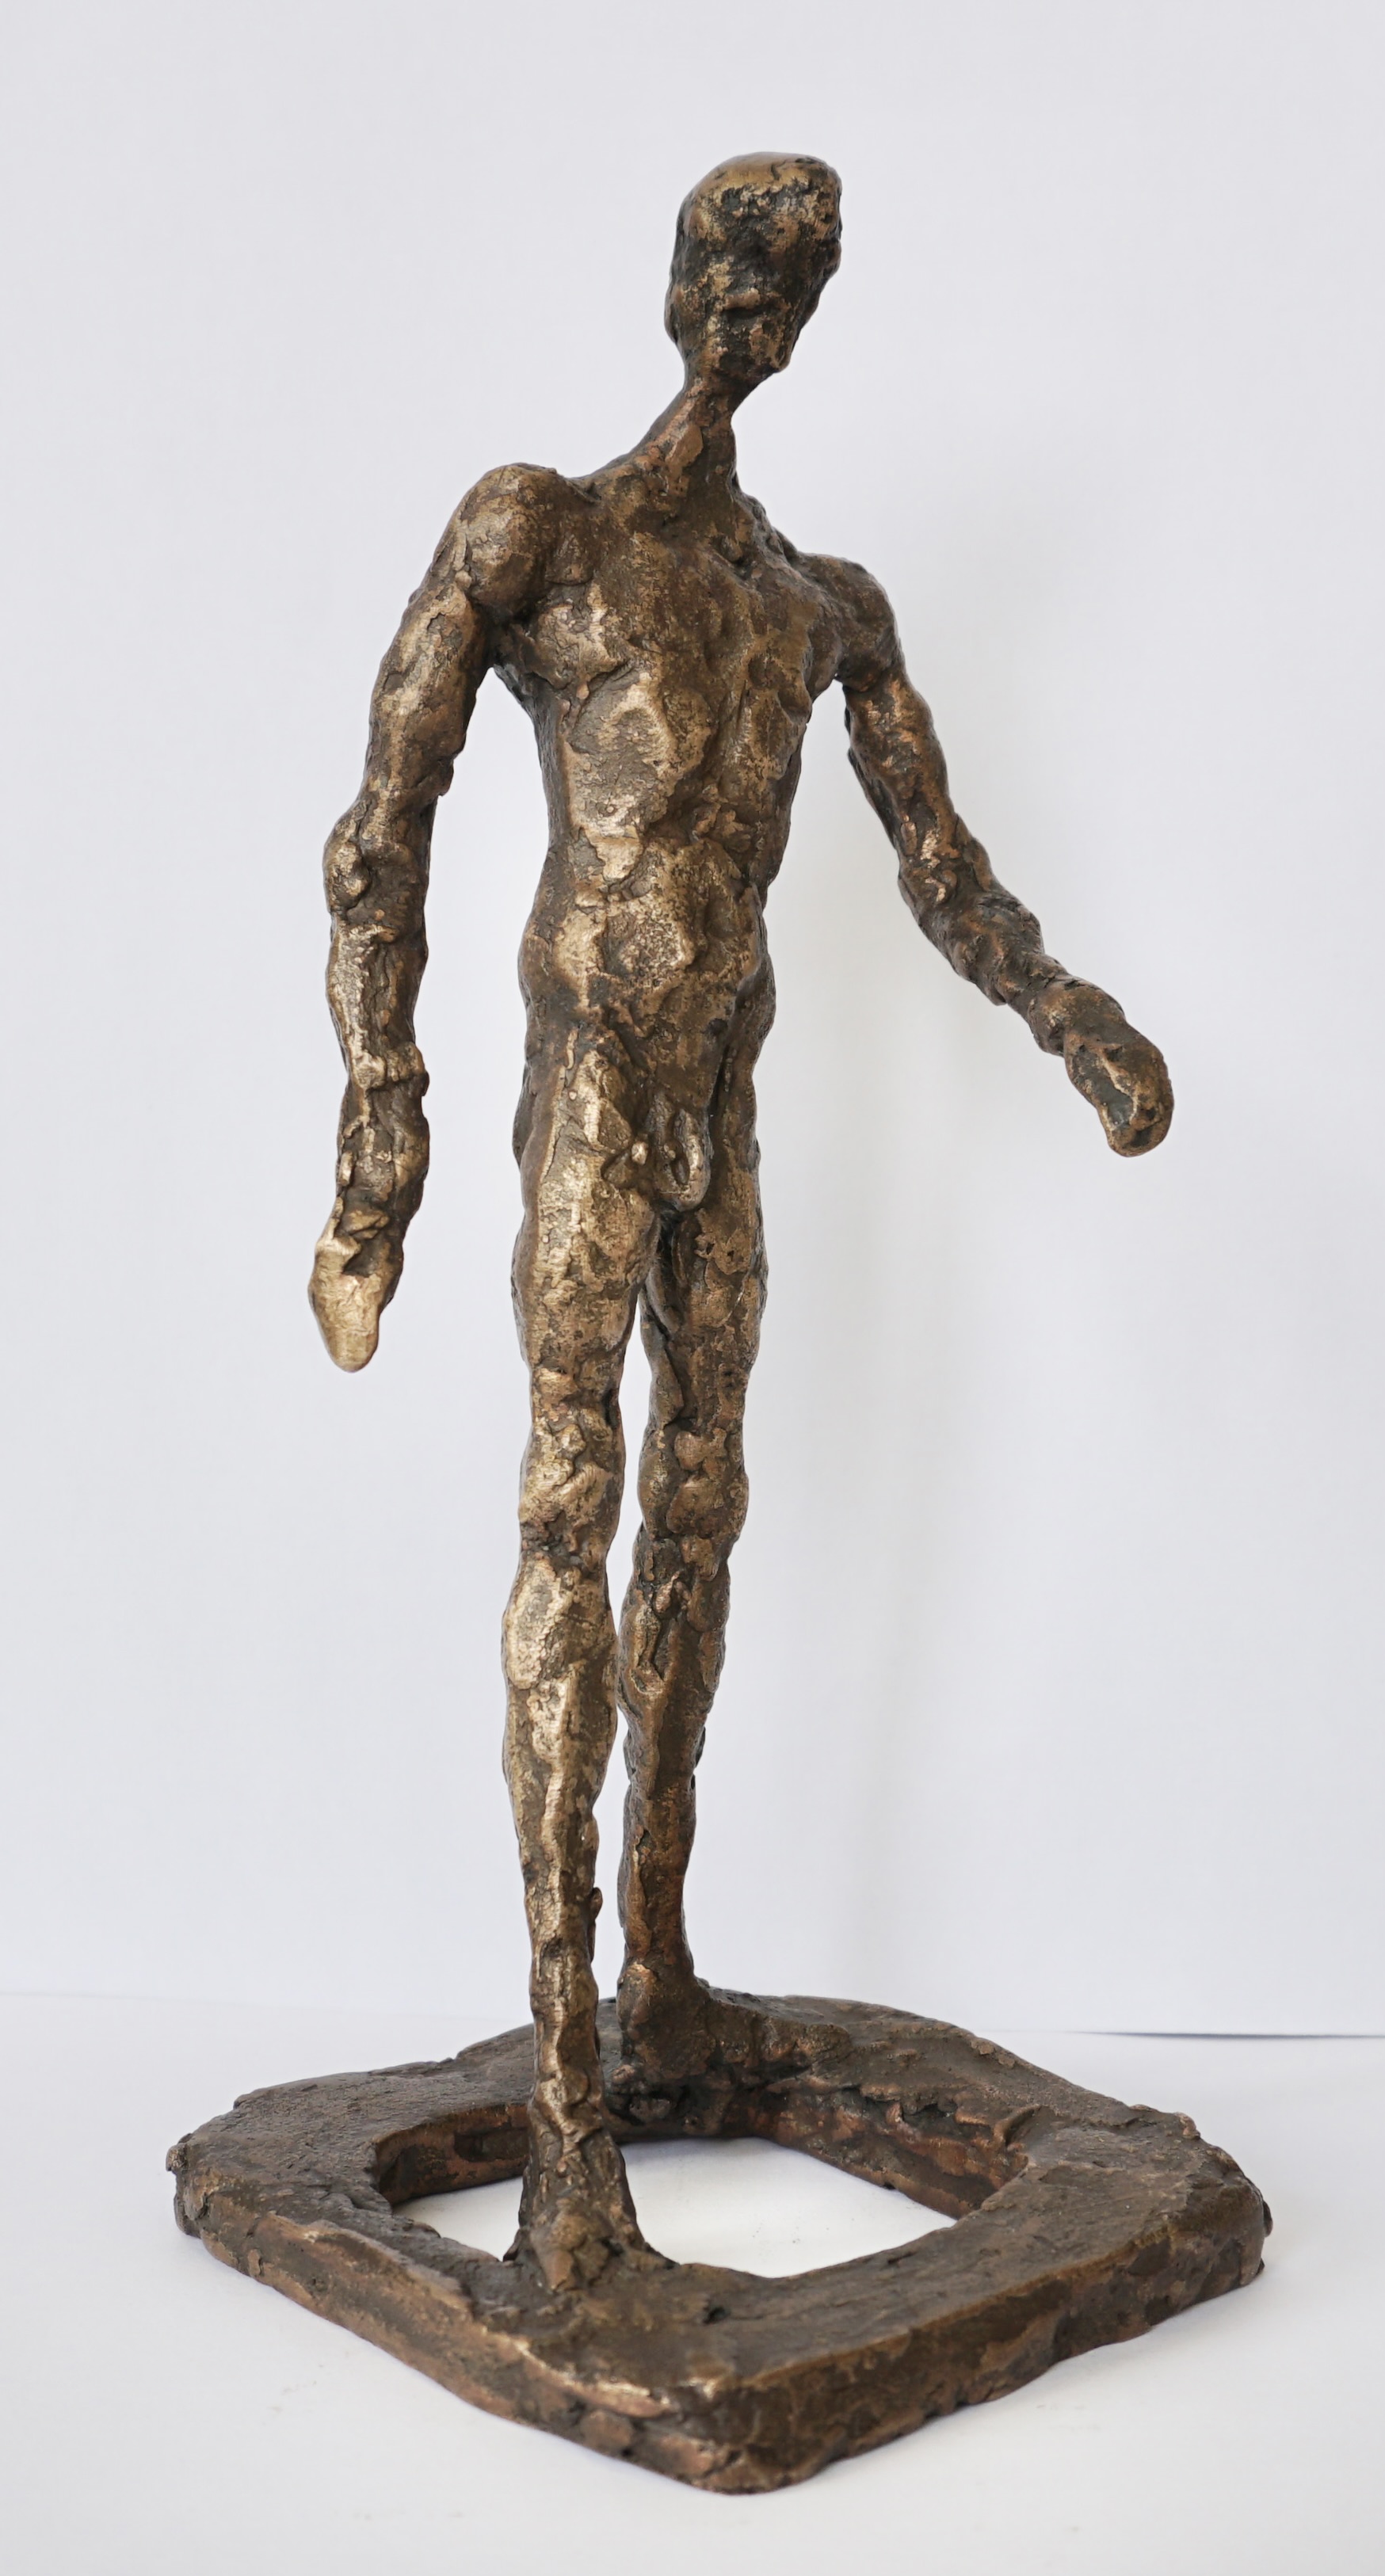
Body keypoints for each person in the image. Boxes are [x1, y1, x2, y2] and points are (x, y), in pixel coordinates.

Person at [309, 154, 1173, 2290]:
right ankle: (567, 2104)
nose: (748, 312)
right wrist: (381, 1134)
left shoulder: (816, 609)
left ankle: (663, 1974)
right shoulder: (537, 533)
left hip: (720, 1099)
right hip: (594, 1090)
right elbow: (381, 828)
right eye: (726, 265)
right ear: (674, 277)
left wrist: (1066, 1012)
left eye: (789, 286)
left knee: (697, 1510)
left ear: (808, 320)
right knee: (570, 1508)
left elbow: (942, 869)